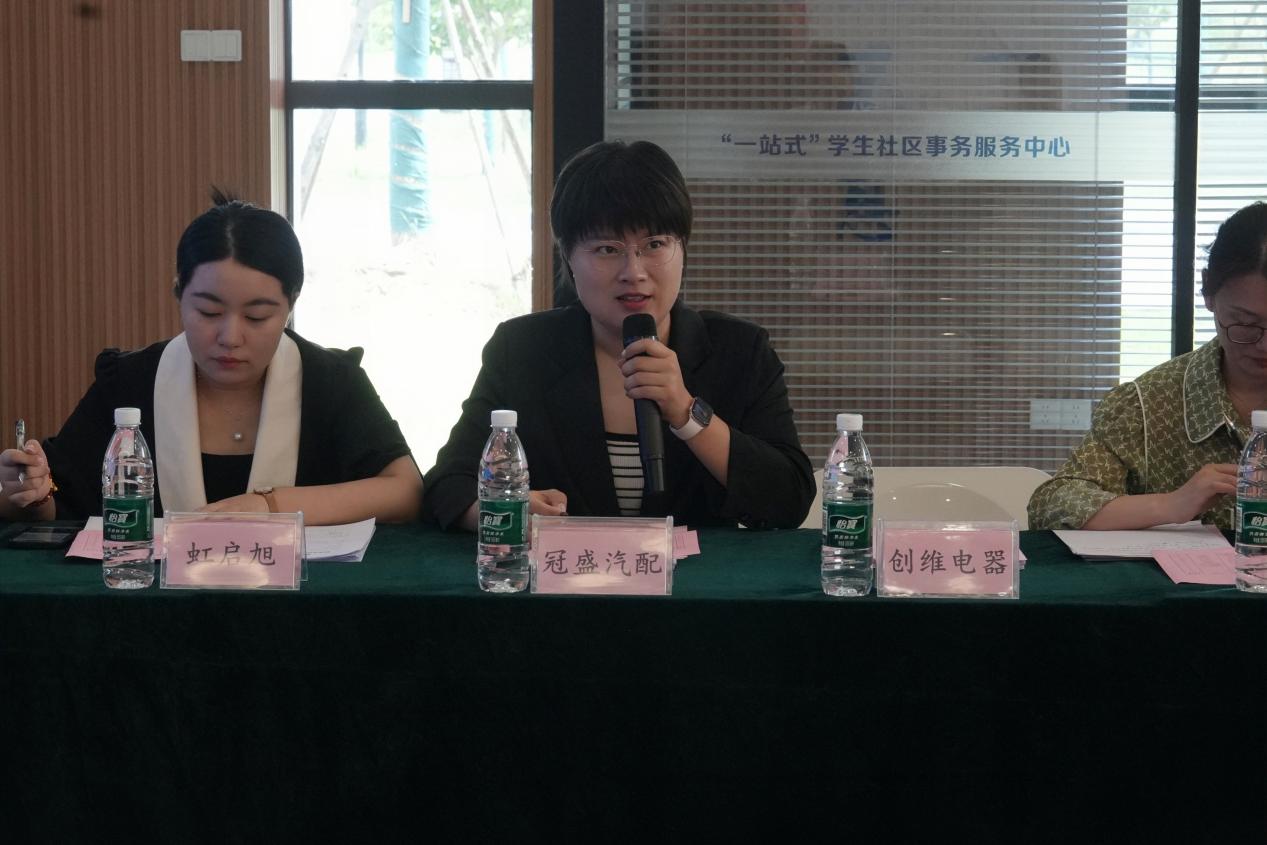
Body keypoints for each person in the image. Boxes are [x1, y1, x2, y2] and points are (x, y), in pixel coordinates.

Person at [424, 140, 815, 530]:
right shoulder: (522, 350)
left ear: (682, 249)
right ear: (568, 257)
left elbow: (789, 499)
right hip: (568, 571)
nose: (634, 272)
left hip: (700, 572)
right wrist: (508, 511)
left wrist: (686, 412)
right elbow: (447, 485)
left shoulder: (740, 351)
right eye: (607, 249)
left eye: (655, 244)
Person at [0, 191, 423, 525]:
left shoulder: (331, 381)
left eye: (257, 316)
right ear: (178, 294)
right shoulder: (129, 382)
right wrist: (29, 493)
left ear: (291, 305)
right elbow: (60, 500)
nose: (230, 337)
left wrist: (270, 506)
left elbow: (405, 490)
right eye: (209, 312)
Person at [1029, 201, 1267, 530]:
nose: (1264, 345)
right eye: (1245, 324)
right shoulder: (1146, 405)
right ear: (1208, 292)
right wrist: (1171, 504)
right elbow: (1053, 504)